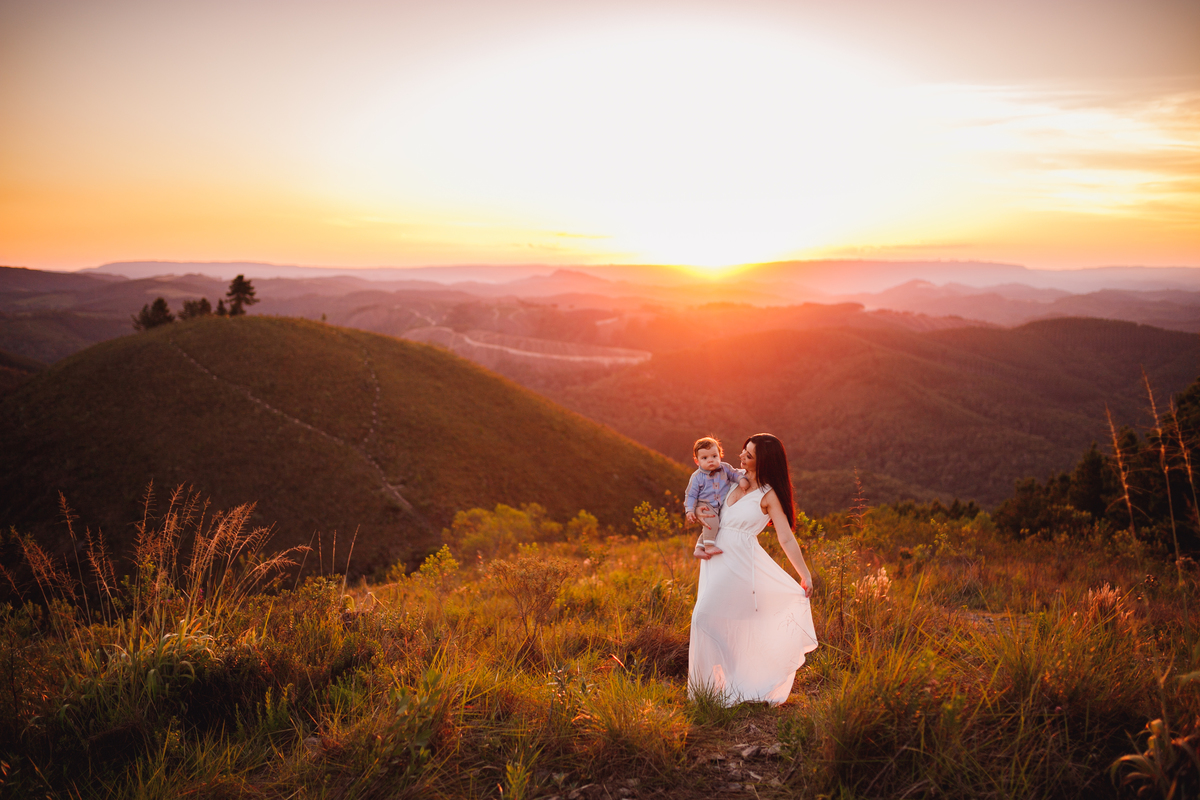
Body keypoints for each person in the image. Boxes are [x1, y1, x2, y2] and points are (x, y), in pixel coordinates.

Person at [688, 433, 818, 706]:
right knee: (717, 621)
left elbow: (785, 537)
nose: (741, 457)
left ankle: (738, 683)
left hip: (740, 563)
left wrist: (804, 574)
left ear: (764, 462)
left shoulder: (768, 495)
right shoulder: (729, 479)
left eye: (749, 455)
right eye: (743, 451)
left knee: (704, 618)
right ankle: (719, 688)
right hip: (716, 559)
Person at [684, 436, 748, 558]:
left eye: (714, 456)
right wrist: (690, 510)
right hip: (705, 504)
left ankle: (699, 548)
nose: (710, 460)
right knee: (712, 522)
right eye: (704, 458)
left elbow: (735, 473)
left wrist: (741, 480)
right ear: (697, 461)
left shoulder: (725, 468)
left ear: (720, 455)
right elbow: (691, 494)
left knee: (712, 525)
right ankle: (708, 547)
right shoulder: (697, 477)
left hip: (719, 505)